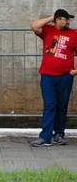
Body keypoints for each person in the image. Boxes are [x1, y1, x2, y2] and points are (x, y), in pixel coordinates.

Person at [30, 9, 77, 147]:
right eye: (65, 19)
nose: (68, 21)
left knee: (62, 106)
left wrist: (74, 72)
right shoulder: (48, 30)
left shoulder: (73, 34)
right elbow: (34, 26)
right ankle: (45, 137)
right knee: (50, 105)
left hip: (65, 76)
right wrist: (50, 17)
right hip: (48, 76)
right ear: (57, 20)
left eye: (69, 19)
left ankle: (59, 134)